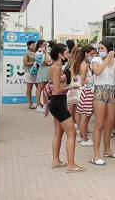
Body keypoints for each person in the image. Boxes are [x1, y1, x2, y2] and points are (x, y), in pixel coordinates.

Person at [47, 43, 84, 172]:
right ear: (60, 54)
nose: (68, 54)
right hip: (58, 103)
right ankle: (71, 164)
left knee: (59, 132)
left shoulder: (56, 66)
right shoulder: (56, 68)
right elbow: (57, 90)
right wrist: (71, 87)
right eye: (67, 52)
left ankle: (56, 161)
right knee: (72, 133)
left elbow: (53, 87)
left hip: (57, 102)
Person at [90, 40, 115, 165]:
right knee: (99, 123)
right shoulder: (96, 60)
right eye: (99, 48)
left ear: (109, 49)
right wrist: (107, 59)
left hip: (113, 91)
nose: (100, 50)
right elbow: (97, 71)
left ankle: (107, 150)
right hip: (100, 90)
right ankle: (95, 155)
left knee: (109, 122)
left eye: (102, 48)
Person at [74, 45, 96, 146]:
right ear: (86, 53)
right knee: (85, 116)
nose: (93, 55)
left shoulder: (84, 64)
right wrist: (91, 81)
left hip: (86, 91)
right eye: (92, 54)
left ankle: (82, 137)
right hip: (87, 91)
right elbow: (82, 81)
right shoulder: (85, 65)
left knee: (85, 115)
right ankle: (84, 138)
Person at [35, 40, 52, 113]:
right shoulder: (38, 52)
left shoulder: (46, 51)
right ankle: (38, 105)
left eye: (46, 44)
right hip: (42, 71)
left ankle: (45, 105)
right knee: (40, 88)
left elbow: (50, 61)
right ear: (40, 44)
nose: (46, 45)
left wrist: (49, 62)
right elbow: (44, 62)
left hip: (48, 72)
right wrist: (49, 62)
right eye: (44, 44)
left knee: (46, 89)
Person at [67, 46, 81, 125]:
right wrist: (76, 85)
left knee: (73, 105)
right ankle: (72, 122)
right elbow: (73, 76)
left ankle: (74, 122)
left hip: (74, 85)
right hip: (75, 86)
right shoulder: (75, 62)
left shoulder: (72, 61)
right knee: (73, 106)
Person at [23, 40, 37, 109]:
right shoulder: (26, 53)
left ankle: (39, 103)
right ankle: (30, 103)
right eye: (33, 45)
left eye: (35, 45)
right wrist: (34, 63)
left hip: (37, 73)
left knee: (38, 87)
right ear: (29, 46)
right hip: (29, 72)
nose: (34, 46)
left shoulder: (37, 52)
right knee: (29, 87)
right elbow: (25, 63)